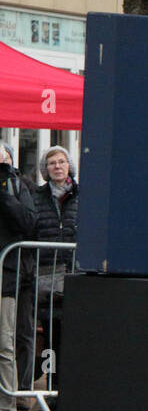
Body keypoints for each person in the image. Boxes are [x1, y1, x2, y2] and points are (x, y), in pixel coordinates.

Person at [31, 145, 78, 397]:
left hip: (75, 276)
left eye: (61, 161)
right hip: (47, 275)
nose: (57, 166)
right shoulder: (37, 197)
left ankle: (70, 392)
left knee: (73, 335)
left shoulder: (83, 195)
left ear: (69, 165)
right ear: (45, 170)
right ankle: (52, 388)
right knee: (51, 336)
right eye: (52, 163)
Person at [0, 140, 37, 411]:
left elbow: (27, 223)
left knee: (4, 344)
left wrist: (3, 191)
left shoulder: (16, 185)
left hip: (6, 276)